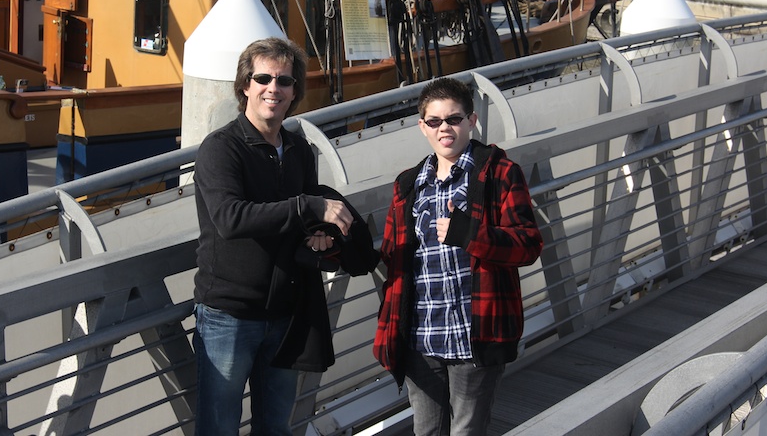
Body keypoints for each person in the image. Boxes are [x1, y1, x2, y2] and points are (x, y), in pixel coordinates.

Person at [192, 37, 378, 435]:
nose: (273, 88)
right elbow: (230, 219)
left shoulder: (298, 149)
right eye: (263, 78)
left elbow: (299, 222)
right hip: (230, 315)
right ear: (245, 84)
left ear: (295, 92)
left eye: (284, 81)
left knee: (276, 427)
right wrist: (310, 208)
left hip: (286, 311)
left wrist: (317, 236)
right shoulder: (221, 149)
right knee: (218, 428)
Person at [373, 77, 543, 436]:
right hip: (422, 336)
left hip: (474, 334)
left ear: (472, 121)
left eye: (454, 119)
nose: (444, 128)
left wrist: (470, 234)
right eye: (434, 121)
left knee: (467, 431)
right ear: (422, 127)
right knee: (427, 432)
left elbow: (528, 244)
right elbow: (393, 256)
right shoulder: (408, 184)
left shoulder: (498, 172)